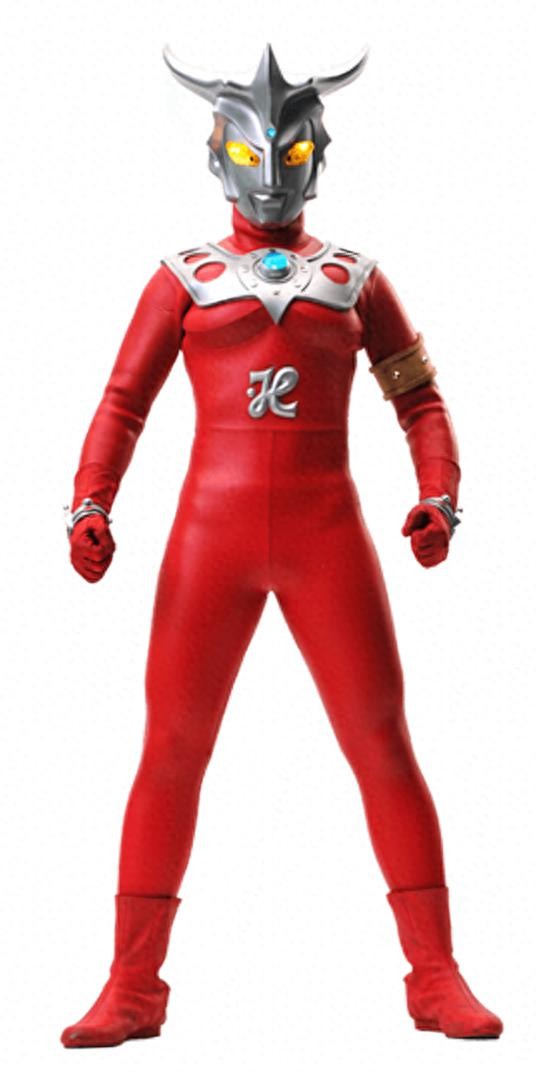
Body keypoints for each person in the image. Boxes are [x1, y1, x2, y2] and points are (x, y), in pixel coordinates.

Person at [61, 43, 503, 1047]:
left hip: (323, 530)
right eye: (253, 151)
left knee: (379, 740)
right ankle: (131, 983)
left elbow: (420, 400)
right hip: (210, 539)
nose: (270, 173)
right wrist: (88, 503)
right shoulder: (183, 277)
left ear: (316, 153)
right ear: (219, 152)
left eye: (290, 152)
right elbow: (123, 403)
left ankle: (434, 973)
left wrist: (439, 496)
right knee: (171, 749)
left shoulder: (353, 277)